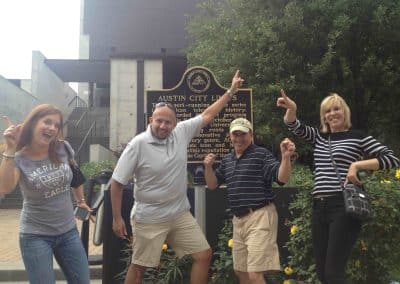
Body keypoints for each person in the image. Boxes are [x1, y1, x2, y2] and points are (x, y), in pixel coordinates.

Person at [111, 70, 245, 284]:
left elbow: (209, 115)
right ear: (151, 120)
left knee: (203, 255)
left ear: (175, 123)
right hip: (149, 217)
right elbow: (117, 183)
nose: (163, 126)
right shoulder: (138, 145)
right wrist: (117, 218)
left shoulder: (181, 132)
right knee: (139, 268)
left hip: (179, 214)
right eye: (159, 121)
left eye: (168, 122)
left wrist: (230, 91)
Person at [276, 90, 399, 284]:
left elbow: (391, 159)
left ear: (345, 112)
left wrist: (357, 165)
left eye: (336, 109)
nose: (332, 114)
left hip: (342, 205)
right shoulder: (319, 137)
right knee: (323, 274)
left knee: (334, 274)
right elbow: (293, 124)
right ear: (324, 116)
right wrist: (292, 108)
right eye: (327, 111)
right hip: (319, 207)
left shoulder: (358, 136)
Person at [0, 104, 91, 284]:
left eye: (56, 125)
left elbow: (75, 175)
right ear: (33, 123)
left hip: (68, 232)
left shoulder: (62, 147)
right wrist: (10, 149)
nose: (52, 128)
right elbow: (5, 188)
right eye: (47, 122)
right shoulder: (19, 157)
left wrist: (80, 200)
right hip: (35, 236)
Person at [203, 117, 296, 284]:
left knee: (254, 273)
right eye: (235, 134)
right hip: (238, 220)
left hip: (260, 216)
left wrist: (286, 157)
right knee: (241, 271)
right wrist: (208, 167)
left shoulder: (261, 154)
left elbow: (282, 178)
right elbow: (212, 184)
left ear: (251, 135)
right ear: (230, 136)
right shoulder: (228, 159)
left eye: (243, 134)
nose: (239, 138)